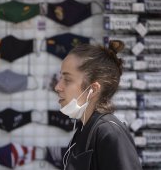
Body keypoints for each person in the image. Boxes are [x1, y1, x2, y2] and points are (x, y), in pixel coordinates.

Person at [54, 40, 142, 170]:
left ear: (93, 89)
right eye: (60, 78)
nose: (57, 87)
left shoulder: (109, 133)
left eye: (67, 79)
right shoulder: (84, 129)